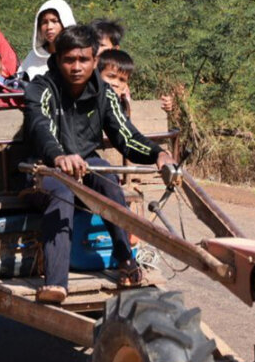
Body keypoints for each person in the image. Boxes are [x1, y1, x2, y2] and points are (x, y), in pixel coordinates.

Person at [22, 25, 174, 304]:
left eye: (83, 60)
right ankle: (56, 283)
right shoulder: (42, 88)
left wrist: (157, 154)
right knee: (63, 191)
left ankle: (126, 261)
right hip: (42, 167)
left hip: (85, 162)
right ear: (57, 60)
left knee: (109, 184)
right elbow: (39, 125)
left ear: (95, 61)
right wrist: (58, 155)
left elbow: (125, 135)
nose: (76, 67)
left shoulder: (103, 92)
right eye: (69, 60)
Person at [17, 0, 76, 81]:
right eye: (44, 22)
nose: (49, 27)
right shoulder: (33, 57)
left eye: (54, 21)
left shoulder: (77, 54)